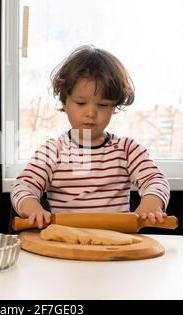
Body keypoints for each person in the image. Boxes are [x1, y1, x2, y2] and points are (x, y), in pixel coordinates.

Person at [10, 45, 170, 228]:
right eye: (81, 103)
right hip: (67, 245)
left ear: (114, 107)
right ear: (65, 102)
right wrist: (32, 208)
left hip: (117, 244)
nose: (91, 113)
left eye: (102, 105)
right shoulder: (52, 151)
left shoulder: (127, 150)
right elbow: (23, 185)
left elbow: (155, 180)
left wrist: (151, 203)